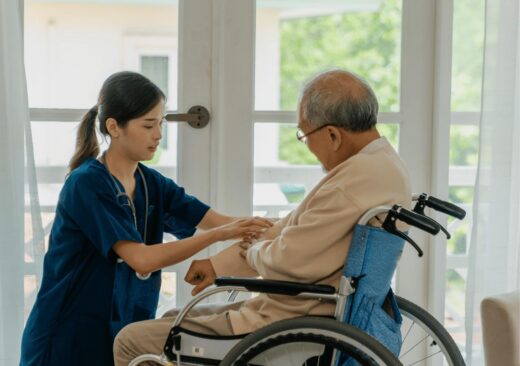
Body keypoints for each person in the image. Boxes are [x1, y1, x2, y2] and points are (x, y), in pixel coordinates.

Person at [113, 69, 412, 365]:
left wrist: (250, 250)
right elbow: (285, 231)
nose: (306, 146)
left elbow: (286, 257)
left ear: (333, 135)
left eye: (303, 135)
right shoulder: (378, 166)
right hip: (303, 310)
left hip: (286, 321)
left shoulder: (351, 182)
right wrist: (218, 265)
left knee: (130, 341)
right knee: (172, 318)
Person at [20, 71, 272, 366]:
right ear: (114, 127)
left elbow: (217, 220)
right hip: (69, 332)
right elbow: (141, 259)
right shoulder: (87, 184)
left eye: (161, 123)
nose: (159, 135)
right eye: (149, 125)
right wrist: (220, 234)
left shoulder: (151, 183)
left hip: (120, 328)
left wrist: (282, 226)